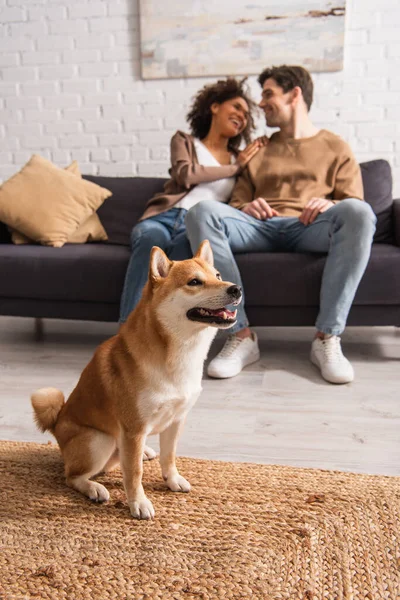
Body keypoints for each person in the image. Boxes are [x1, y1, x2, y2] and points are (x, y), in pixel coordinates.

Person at [185, 65, 377, 384]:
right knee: (202, 211)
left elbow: (354, 205)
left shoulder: (335, 146)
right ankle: (240, 334)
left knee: (359, 212)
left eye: (268, 94)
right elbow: (235, 204)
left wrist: (331, 204)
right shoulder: (259, 148)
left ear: (295, 94)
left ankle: (327, 338)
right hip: (259, 227)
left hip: (310, 227)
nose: (261, 104)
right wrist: (247, 205)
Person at [119, 78, 265, 324]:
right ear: (215, 107)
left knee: (185, 268)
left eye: (247, 115)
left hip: (195, 227)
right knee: (151, 240)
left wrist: (243, 164)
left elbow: (240, 200)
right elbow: (185, 174)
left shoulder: (240, 160)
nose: (243, 116)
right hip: (164, 217)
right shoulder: (185, 141)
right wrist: (233, 169)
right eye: (237, 107)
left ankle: (164, 336)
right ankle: (127, 329)